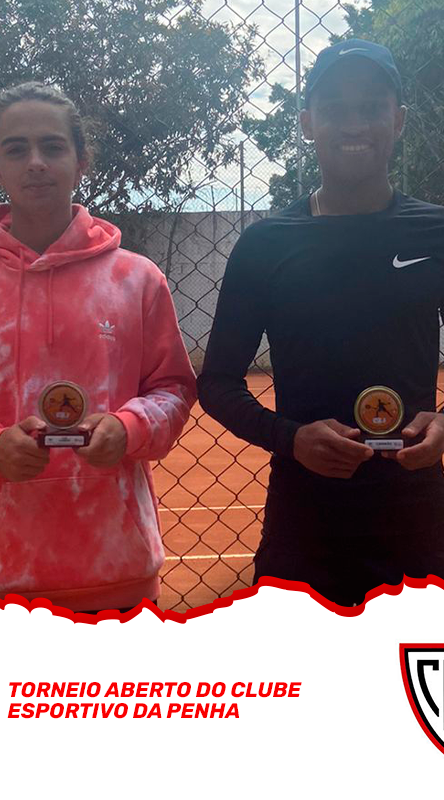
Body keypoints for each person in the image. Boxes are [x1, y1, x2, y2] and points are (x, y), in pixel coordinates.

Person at [198, 40, 444, 606]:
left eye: (372, 106)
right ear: (308, 123)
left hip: (418, 519)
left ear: (398, 120)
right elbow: (217, 383)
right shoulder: (265, 244)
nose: (354, 123)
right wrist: (291, 439)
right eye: (334, 108)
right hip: (305, 523)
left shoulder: (436, 233)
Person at [0, 82, 196, 613]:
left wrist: (129, 429)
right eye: (16, 148)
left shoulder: (137, 279)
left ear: (81, 161)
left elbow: (173, 389)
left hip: (119, 572)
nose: (36, 162)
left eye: (52, 146)